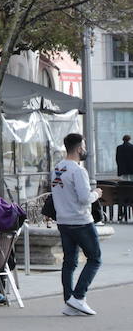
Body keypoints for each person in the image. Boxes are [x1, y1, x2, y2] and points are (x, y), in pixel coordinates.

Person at [53, 131, 102, 316]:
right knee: (95, 258)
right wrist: (96, 193)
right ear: (80, 148)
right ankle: (78, 297)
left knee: (69, 262)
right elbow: (84, 198)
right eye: (85, 147)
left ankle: (69, 301)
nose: (86, 150)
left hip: (64, 221)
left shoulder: (57, 168)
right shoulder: (78, 170)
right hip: (80, 220)